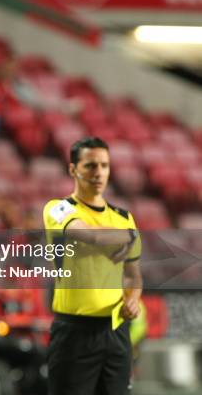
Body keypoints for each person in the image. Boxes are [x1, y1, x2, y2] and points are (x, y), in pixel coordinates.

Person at [42, 137, 143, 395]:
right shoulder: (58, 209)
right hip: (74, 333)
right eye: (90, 165)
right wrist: (130, 235)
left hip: (116, 331)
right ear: (73, 169)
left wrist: (132, 298)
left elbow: (133, 276)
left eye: (104, 165)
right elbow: (91, 236)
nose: (99, 172)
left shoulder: (123, 217)